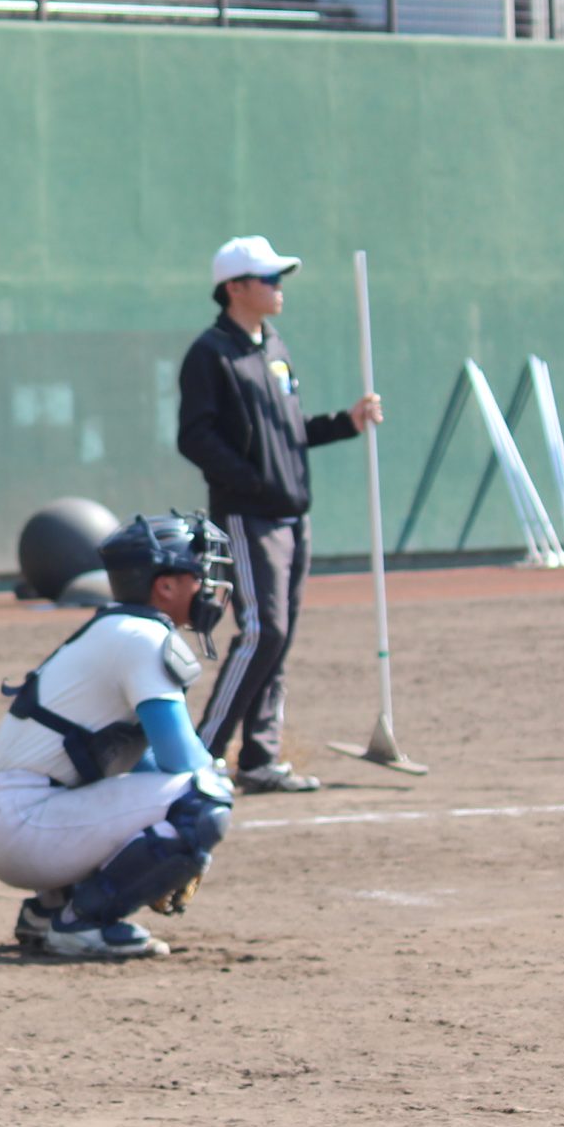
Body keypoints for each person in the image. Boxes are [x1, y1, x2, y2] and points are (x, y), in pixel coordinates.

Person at [0, 513, 237, 961]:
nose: (209, 586)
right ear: (166, 586)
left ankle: (50, 910)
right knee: (205, 798)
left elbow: (143, 767)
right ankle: (81, 922)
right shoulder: (143, 638)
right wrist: (178, 851)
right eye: (199, 574)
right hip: (26, 828)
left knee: (181, 792)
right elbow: (182, 761)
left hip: (12, 819)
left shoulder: (115, 629)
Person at [177, 236, 380, 794]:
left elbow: (290, 431)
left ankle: (260, 758)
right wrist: (251, 482)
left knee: (278, 639)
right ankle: (202, 754)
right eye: (269, 279)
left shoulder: (274, 347)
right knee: (263, 631)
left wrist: (347, 423)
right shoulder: (210, 354)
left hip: (293, 515)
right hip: (247, 518)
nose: (279, 288)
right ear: (235, 288)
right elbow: (194, 437)